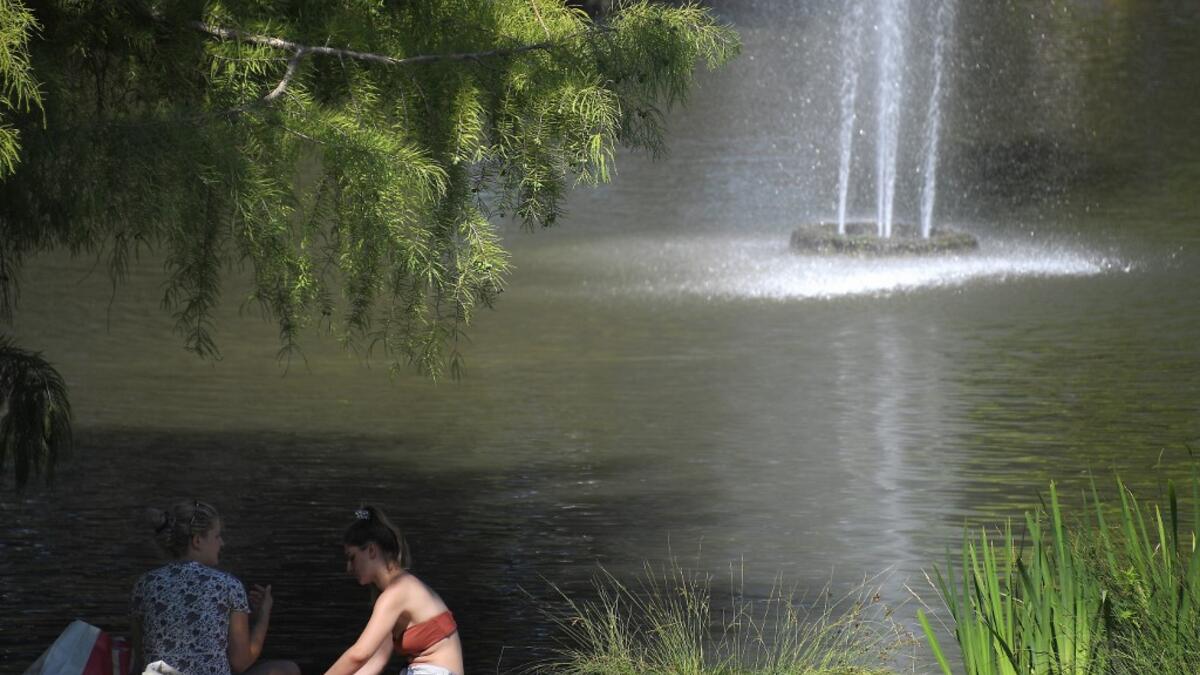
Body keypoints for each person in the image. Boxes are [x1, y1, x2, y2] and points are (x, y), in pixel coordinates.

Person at [130, 500, 299, 675]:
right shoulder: (228, 585)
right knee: (288, 669)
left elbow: (141, 659)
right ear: (197, 541)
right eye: (217, 536)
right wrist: (263, 615)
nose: (222, 543)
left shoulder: (144, 584)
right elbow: (241, 663)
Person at [324, 506, 463, 675]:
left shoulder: (397, 592)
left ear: (371, 550)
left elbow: (358, 655)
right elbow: (376, 662)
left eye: (352, 557)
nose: (348, 568)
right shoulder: (393, 594)